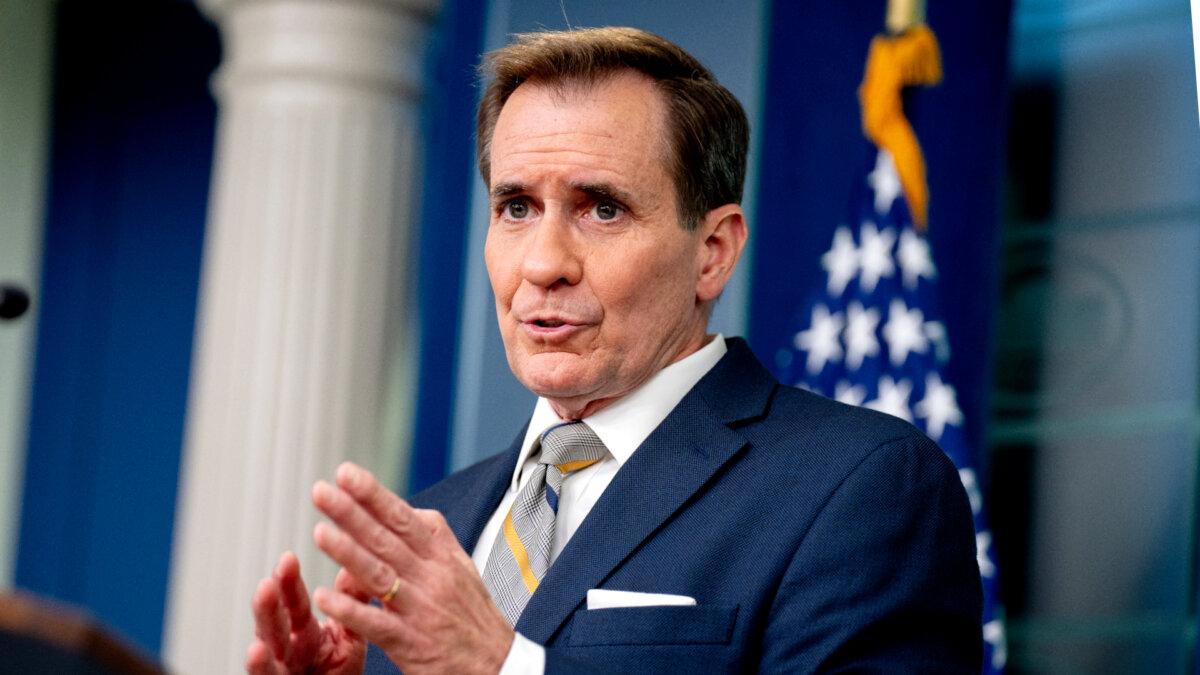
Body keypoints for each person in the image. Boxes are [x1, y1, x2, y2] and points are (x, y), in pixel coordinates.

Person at [245, 27, 982, 675]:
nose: (543, 262)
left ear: (713, 253)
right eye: (516, 207)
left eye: (602, 208)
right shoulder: (435, 518)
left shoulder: (861, 488)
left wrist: (499, 666)